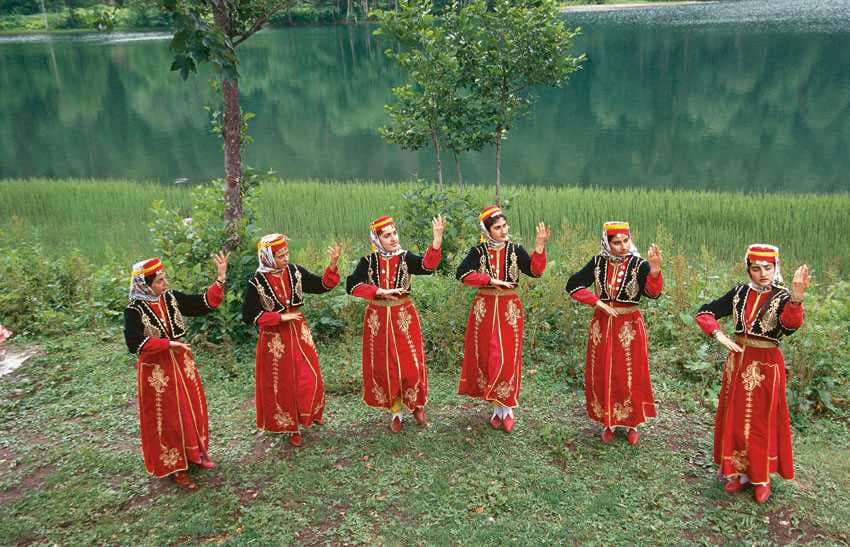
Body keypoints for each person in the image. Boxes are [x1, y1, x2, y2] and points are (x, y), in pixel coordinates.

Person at [695, 244, 809, 504]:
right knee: (735, 418)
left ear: (775, 267)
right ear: (748, 269)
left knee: (760, 422)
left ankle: (761, 478)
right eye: (756, 268)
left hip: (767, 366)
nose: (763, 274)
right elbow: (705, 312)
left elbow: (790, 326)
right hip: (738, 362)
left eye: (768, 268)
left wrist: (797, 299)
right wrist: (719, 334)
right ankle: (738, 473)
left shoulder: (783, 297)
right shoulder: (739, 293)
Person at [123, 252, 228, 490]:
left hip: (181, 364)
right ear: (145, 285)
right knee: (167, 417)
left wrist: (220, 278)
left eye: (164, 278)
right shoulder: (134, 311)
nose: (165, 284)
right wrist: (167, 344)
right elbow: (133, 342)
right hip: (156, 372)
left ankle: (194, 455)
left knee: (190, 407)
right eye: (159, 281)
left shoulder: (170, 298)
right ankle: (176, 467)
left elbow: (202, 303)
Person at [565, 221, 663, 445]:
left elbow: (653, 294)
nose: (622, 246)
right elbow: (573, 285)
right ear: (607, 244)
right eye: (616, 242)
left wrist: (655, 272)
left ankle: (631, 423)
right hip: (602, 325)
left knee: (629, 372)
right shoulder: (598, 262)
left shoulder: (640, 265)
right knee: (604, 371)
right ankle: (608, 421)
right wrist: (596, 302)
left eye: (625, 241)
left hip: (629, 327)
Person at [346, 214, 445, 432]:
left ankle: (416, 404)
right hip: (378, 320)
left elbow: (426, 267)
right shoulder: (368, 262)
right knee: (385, 366)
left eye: (394, 233)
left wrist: (436, 240)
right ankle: (396, 412)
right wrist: (378, 291)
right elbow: (352, 285)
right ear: (377, 239)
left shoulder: (405, 257)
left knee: (411, 363)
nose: (393, 238)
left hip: (403, 316)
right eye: (387, 235)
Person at [456, 205, 549, 433]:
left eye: (505, 226)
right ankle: (496, 409)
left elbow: (535, 271)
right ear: (487, 231)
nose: (503, 230)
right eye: (497, 227)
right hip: (485, 309)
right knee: (489, 357)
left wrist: (539, 245)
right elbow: (462, 274)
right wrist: (490, 280)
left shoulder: (515, 250)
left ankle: (507, 409)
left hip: (508, 309)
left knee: (507, 357)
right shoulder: (478, 252)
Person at [242, 234, 341, 447]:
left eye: (286, 253)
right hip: (274, 340)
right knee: (283, 382)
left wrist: (332, 265)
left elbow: (320, 285)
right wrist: (279, 317)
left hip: (298, 332)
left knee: (308, 375)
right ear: (267, 257)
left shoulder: (295, 271)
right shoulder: (256, 282)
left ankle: (309, 413)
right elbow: (248, 315)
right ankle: (291, 426)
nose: (285, 258)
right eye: (279, 256)